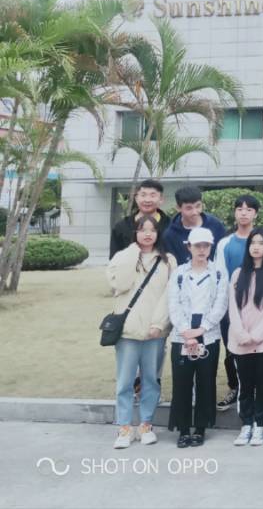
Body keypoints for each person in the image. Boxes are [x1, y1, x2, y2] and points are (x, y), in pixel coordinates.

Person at [106, 217, 177, 449]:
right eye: (142, 230)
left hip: (155, 332)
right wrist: (132, 253)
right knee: (125, 382)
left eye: (152, 230)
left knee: (150, 381)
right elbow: (120, 284)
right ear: (134, 233)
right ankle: (124, 427)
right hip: (127, 332)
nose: (147, 234)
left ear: (158, 233)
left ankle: (146, 424)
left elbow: (170, 295)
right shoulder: (122, 257)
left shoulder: (168, 260)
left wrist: (159, 324)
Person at [167, 227, 229, 448]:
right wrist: (186, 331)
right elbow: (173, 304)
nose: (202, 250)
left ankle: (201, 428)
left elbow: (221, 304)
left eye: (206, 246)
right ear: (189, 247)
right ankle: (183, 429)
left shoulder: (219, 273)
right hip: (181, 336)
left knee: (206, 382)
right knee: (182, 383)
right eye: (198, 246)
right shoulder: (179, 273)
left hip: (208, 335)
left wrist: (202, 329)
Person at [228, 228, 263, 447]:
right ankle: (246, 424)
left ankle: (259, 425)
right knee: (245, 383)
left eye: (261, 243)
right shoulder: (238, 273)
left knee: (262, 382)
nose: (256, 247)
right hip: (240, 340)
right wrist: (241, 333)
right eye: (253, 243)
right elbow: (232, 307)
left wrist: (258, 334)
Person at [214, 193, 261, 413]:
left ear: (255, 214)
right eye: (240, 209)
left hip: (257, 307)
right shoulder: (225, 243)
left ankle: (254, 391)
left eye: (249, 209)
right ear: (234, 212)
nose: (244, 213)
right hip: (230, 308)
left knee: (256, 349)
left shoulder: (262, 241)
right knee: (231, 350)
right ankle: (235, 387)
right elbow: (221, 277)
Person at [163, 186, 227, 265]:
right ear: (178, 208)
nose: (195, 212)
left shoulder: (215, 225)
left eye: (198, 206)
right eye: (189, 208)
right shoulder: (170, 234)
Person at [110, 178, 170, 258]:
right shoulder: (121, 227)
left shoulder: (170, 226)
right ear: (136, 198)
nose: (147, 200)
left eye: (152, 195)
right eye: (143, 195)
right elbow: (114, 259)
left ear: (161, 200)